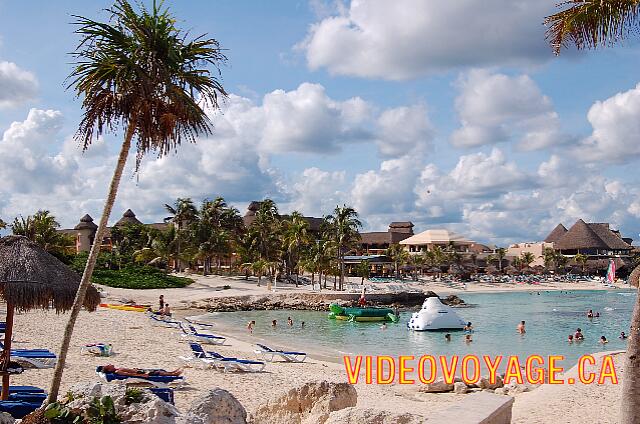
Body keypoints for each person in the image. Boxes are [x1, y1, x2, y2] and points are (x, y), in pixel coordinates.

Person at [100, 364, 182, 377]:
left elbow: (130, 371)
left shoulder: (117, 369)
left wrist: (134, 369)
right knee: (158, 372)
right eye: (109, 365)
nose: (110, 364)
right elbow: (130, 375)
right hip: (140, 373)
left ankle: (172, 372)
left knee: (158, 370)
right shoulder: (117, 372)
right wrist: (141, 375)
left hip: (139, 371)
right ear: (109, 369)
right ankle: (174, 374)